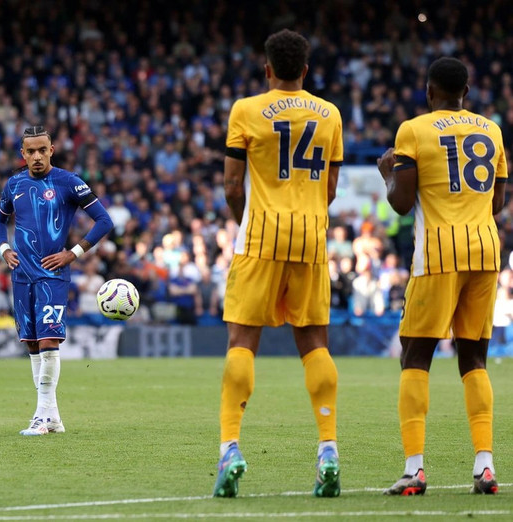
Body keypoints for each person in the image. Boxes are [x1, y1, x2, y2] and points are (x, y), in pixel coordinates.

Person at [213, 29, 344, 498]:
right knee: (314, 343)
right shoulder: (330, 114)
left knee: (242, 341)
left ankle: (230, 448)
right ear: (305, 70)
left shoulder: (246, 110)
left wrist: (243, 220)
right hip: (311, 239)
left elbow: (232, 186)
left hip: (260, 239)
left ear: (267, 68)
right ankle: (328, 449)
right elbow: (330, 189)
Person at [377, 57, 506, 496]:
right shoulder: (492, 130)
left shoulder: (413, 130)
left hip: (437, 253)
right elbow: (498, 201)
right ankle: (485, 466)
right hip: (486, 251)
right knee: (474, 359)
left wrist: (387, 175)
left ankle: (415, 469)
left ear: (430, 92)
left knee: (415, 357)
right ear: (465, 92)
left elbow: (400, 202)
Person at [0, 126, 113, 436]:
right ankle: (52, 416)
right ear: (22, 154)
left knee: (48, 341)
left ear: (51, 150)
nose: (36, 156)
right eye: (30, 151)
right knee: (32, 344)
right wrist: (4, 248)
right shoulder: (14, 184)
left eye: (41, 150)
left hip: (52, 275)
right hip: (21, 276)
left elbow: (104, 221)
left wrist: (73, 253)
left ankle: (42, 416)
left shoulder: (68, 182)